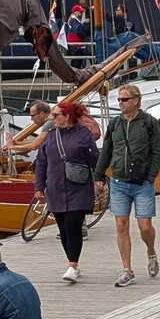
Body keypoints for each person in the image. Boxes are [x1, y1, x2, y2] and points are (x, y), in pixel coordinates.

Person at [93, 86, 160, 287]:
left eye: (124, 99)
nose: (120, 103)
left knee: (145, 226)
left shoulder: (149, 123)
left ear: (136, 100)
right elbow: (106, 151)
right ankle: (127, 270)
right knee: (121, 224)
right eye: (119, 99)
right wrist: (98, 176)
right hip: (119, 182)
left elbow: (157, 152)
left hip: (142, 183)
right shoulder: (115, 124)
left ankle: (151, 252)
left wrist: (151, 176)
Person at [34, 101, 99, 283]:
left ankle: (72, 265)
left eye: (55, 115)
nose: (52, 118)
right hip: (55, 188)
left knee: (73, 226)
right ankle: (73, 263)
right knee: (63, 228)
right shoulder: (50, 136)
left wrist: (99, 178)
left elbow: (94, 159)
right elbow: (41, 162)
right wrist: (39, 187)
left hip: (78, 188)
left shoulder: (83, 135)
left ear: (67, 117)